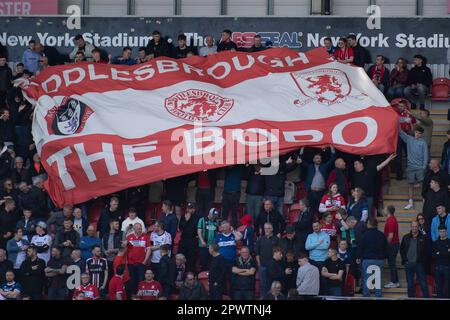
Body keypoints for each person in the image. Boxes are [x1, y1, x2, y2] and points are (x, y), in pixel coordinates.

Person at [298, 146, 336, 216]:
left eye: (320, 158)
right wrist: (302, 148)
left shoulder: (324, 166)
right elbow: (301, 160)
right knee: (310, 210)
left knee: (320, 210)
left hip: (321, 193)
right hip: (311, 192)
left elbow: (332, 159)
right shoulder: (310, 167)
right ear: (313, 160)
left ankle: (320, 224)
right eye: (317, 158)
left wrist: (332, 148)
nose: (319, 159)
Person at [400, 221, 430, 298]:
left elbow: (427, 251)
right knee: (410, 284)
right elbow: (402, 250)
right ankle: (411, 298)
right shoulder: (406, 237)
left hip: (419, 264)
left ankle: (427, 298)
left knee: (423, 283)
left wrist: (423, 261)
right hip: (409, 264)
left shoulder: (423, 237)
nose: (414, 228)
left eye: (416, 226)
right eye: (413, 226)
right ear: (411, 227)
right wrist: (405, 260)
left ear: (418, 227)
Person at [126, 223, 151, 295]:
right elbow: (126, 250)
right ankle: (133, 296)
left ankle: (141, 296)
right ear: (134, 229)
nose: (140, 230)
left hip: (141, 263)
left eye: (141, 228)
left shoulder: (146, 237)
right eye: (138, 228)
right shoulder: (129, 237)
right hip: (131, 264)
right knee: (132, 281)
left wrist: (145, 261)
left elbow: (149, 249)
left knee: (141, 281)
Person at [255, 222, 279, 298]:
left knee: (273, 284)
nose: (267, 230)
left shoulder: (276, 239)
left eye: (269, 228)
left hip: (273, 266)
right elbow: (257, 253)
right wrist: (259, 264)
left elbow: (279, 252)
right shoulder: (260, 239)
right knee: (263, 284)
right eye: (265, 228)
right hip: (263, 266)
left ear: (272, 229)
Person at [383, 206, 400, 288]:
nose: (383, 210)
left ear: (388, 211)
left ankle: (394, 282)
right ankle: (396, 282)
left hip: (392, 245)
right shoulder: (391, 220)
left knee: (392, 264)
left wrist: (385, 246)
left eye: (385, 209)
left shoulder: (391, 220)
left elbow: (390, 236)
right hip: (393, 244)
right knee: (392, 264)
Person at [178, 202, 199, 272]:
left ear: (194, 209)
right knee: (181, 259)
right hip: (184, 240)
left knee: (191, 260)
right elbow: (180, 228)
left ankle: (190, 275)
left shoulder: (198, 218)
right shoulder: (184, 216)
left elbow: (198, 230)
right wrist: (186, 220)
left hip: (193, 241)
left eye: (190, 209)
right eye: (187, 208)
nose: (188, 210)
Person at [432, 225, 450, 298]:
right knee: (438, 286)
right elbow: (433, 255)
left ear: (446, 232)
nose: (442, 233)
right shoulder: (436, 242)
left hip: (447, 267)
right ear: (438, 232)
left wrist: (439, 253)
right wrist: (446, 252)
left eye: (443, 231)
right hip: (438, 267)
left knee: (447, 286)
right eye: (440, 231)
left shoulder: (449, 241)